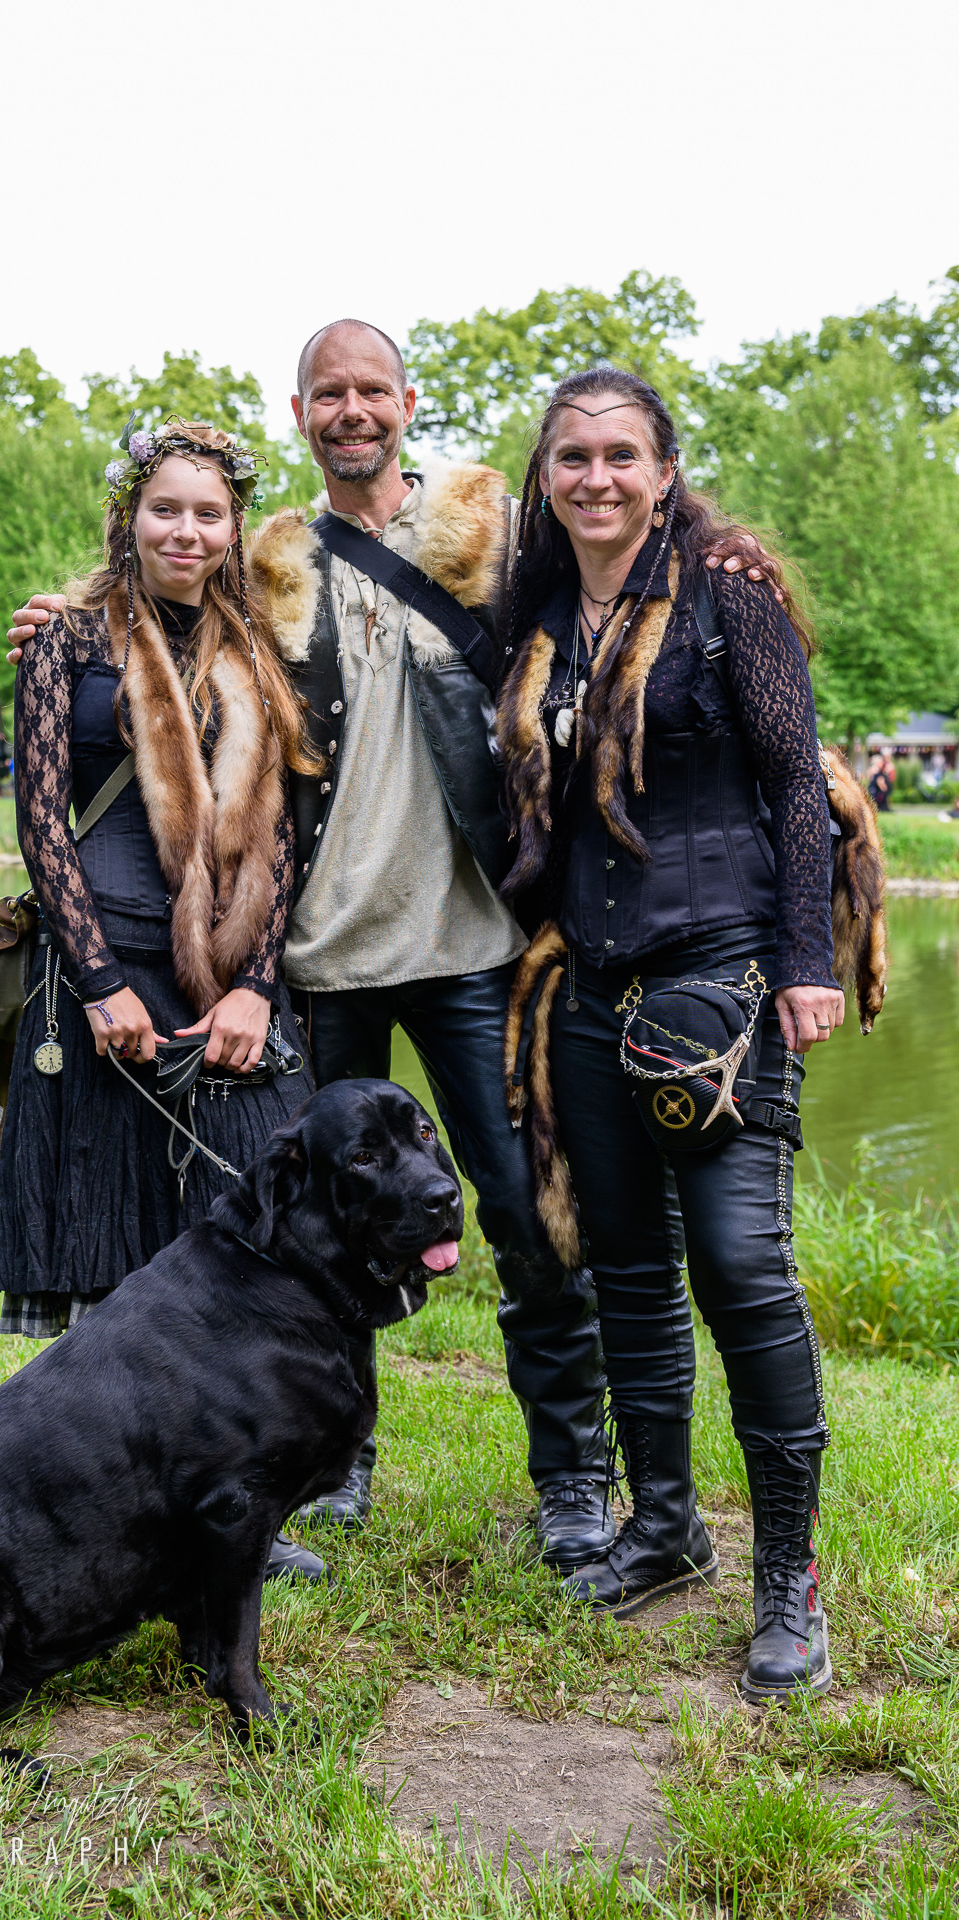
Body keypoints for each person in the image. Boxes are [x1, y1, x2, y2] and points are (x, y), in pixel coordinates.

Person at [7, 320, 779, 1578]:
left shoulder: (495, 534)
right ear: (300, 413)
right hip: (315, 955)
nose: (351, 410)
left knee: (528, 1215)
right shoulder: (265, 564)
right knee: (312, 1230)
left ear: (405, 403)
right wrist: (64, 615)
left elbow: (619, 549)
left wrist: (720, 550)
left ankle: (570, 1476)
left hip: (473, 941)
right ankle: (336, 1457)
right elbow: (159, 610)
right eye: (329, 393)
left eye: (372, 389)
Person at [495, 366, 876, 1700]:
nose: (595, 477)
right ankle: (662, 1529)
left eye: (621, 455)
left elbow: (794, 786)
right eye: (572, 457)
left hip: (721, 981)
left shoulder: (726, 594)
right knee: (627, 1270)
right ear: (546, 476)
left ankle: (788, 1583)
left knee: (738, 1264)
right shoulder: (542, 611)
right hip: (591, 985)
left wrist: (805, 965)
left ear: (663, 471)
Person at [0, 417, 321, 1582]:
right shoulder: (66, 640)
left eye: (207, 512)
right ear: (128, 515)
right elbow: (42, 823)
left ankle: (235, 1511)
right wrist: (94, 982)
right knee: (110, 1262)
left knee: (243, 1249)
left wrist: (255, 990)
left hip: (221, 978)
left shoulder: (261, 649)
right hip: (97, 971)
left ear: (234, 527)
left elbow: (280, 835)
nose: (185, 530)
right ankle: (107, 1514)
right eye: (164, 508)